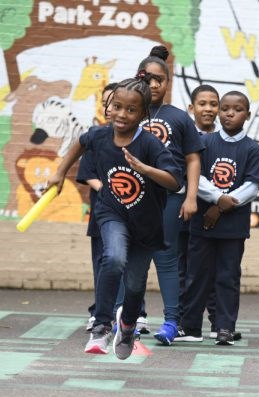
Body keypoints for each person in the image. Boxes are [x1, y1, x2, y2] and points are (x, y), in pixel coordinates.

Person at [48, 74, 182, 359]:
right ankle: (101, 326)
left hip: (145, 226)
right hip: (112, 213)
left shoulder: (150, 145)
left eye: (131, 109)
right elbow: (80, 143)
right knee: (113, 257)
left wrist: (145, 169)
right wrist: (59, 173)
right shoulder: (99, 135)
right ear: (109, 106)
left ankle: (128, 325)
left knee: (134, 285)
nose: (122, 114)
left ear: (143, 114)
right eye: (117, 106)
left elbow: (174, 181)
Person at [133, 45, 204, 346]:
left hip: (171, 197)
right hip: (136, 198)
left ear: (167, 82)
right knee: (134, 257)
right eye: (146, 79)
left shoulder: (178, 117)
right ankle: (130, 318)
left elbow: (193, 159)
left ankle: (172, 321)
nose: (152, 85)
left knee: (166, 257)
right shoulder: (130, 112)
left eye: (158, 80)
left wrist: (190, 196)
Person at [181, 91, 259, 345]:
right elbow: (196, 178)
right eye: (225, 108)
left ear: (247, 115)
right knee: (196, 275)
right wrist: (219, 198)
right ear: (219, 113)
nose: (230, 113)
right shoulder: (204, 142)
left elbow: (252, 185)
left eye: (237, 109)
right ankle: (191, 327)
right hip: (202, 225)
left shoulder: (252, 148)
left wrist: (223, 205)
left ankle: (225, 327)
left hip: (233, 228)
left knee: (227, 277)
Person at [178, 84, 221, 341]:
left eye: (213, 104)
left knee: (215, 272)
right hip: (186, 214)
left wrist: (217, 205)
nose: (208, 109)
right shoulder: (184, 138)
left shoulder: (223, 139)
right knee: (185, 271)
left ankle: (217, 322)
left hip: (216, 217)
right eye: (202, 104)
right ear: (191, 108)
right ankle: (183, 321)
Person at [82, 81, 117, 333]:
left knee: (127, 263)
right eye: (105, 102)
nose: (108, 108)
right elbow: (87, 172)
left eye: (113, 102)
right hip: (103, 209)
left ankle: (133, 313)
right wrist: (107, 189)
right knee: (103, 261)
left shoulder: (138, 138)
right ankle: (99, 314)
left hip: (130, 212)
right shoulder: (96, 136)